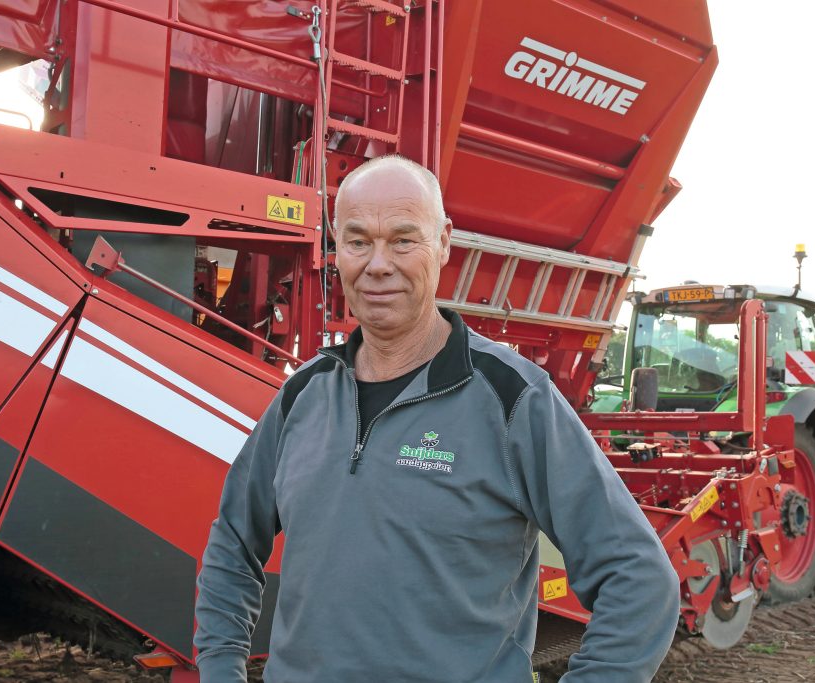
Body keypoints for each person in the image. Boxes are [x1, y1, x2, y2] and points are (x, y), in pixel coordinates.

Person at [194, 155, 679, 682]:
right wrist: (221, 669)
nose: (378, 264)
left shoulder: (512, 398)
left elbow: (640, 579)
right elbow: (233, 545)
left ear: (443, 242)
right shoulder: (303, 395)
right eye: (358, 241)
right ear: (337, 249)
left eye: (403, 240)